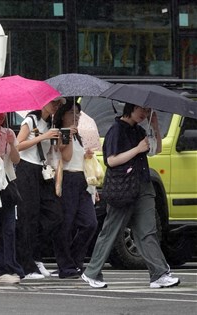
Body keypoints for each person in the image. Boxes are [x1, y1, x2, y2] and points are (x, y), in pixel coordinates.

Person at [81, 103, 180, 289]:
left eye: (148, 110)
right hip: (123, 188)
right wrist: (137, 149)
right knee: (111, 231)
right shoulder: (116, 130)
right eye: (142, 109)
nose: (144, 113)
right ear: (130, 109)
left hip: (142, 185)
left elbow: (155, 149)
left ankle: (159, 274)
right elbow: (111, 160)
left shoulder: (139, 130)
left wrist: (155, 126)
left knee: (147, 231)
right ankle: (92, 272)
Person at [14, 98, 64, 279]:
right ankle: (27, 265)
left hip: (43, 171)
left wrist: (57, 140)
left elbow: (51, 151)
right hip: (26, 169)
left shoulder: (50, 123)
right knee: (28, 217)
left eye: (58, 105)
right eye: (54, 103)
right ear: (42, 103)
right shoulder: (31, 121)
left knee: (53, 214)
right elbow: (17, 146)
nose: (56, 107)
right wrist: (43, 137)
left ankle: (36, 258)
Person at [52, 99, 98, 279]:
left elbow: (78, 157)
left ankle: (75, 260)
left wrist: (86, 155)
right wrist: (68, 136)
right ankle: (66, 265)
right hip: (67, 179)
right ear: (63, 116)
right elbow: (66, 156)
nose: (76, 117)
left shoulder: (78, 135)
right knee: (66, 224)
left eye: (78, 114)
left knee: (90, 223)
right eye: (72, 113)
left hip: (82, 180)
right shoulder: (63, 133)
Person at [0, 113, 25, 284]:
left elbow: (16, 159)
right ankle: (1, 266)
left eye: (2, 114)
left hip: (7, 183)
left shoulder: (8, 132)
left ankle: (9, 266)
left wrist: (11, 142)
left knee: (9, 227)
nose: (0, 117)